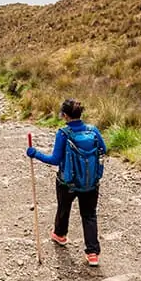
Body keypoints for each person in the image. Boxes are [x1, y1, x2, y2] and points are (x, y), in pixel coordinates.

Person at [26, 99, 107, 267]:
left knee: (64, 208)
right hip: (91, 183)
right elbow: (104, 149)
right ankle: (92, 253)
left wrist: (35, 153)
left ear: (64, 115)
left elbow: (55, 159)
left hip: (67, 182)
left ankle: (60, 235)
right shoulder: (93, 130)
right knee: (89, 215)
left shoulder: (63, 133)